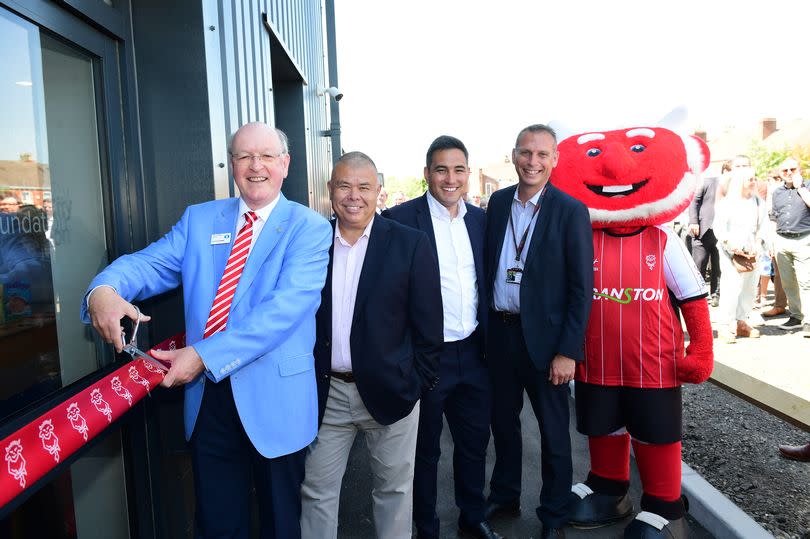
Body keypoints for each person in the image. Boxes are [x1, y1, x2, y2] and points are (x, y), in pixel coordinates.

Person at [82, 122, 332, 538]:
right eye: (244, 156)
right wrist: (104, 290)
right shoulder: (200, 220)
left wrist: (201, 356)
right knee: (217, 525)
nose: (256, 167)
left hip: (275, 402)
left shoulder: (309, 228)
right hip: (208, 404)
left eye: (267, 156)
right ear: (231, 164)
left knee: (280, 525)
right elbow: (149, 263)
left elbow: (282, 312)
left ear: (285, 164)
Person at [300, 152, 443, 539]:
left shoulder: (409, 244)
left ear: (378, 192)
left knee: (394, 492)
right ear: (331, 190)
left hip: (393, 392)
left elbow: (430, 327)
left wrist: (416, 384)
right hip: (327, 395)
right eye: (344, 185)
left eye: (364, 187)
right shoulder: (311, 243)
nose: (354, 196)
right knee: (316, 493)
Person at [384, 136, 500, 539]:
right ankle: (426, 526)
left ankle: (473, 516)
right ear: (426, 175)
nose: (450, 179)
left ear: (468, 174)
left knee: (473, 444)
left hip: (474, 353)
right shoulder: (399, 220)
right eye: (440, 170)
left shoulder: (481, 222)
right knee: (424, 450)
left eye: (458, 170)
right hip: (426, 355)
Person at [484, 124, 593, 539]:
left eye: (542, 154)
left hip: (547, 346)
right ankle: (506, 494)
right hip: (501, 335)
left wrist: (568, 350)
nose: (533, 161)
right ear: (513, 155)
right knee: (503, 425)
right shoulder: (496, 204)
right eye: (526, 153)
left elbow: (582, 288)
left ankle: (553, 515)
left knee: (553, 435)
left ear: (554, 160)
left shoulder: (569, 210)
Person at [714, 163, 770, 341]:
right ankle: (724, 325)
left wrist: (760, 243)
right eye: (750, 179)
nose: (753, 182)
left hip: (753, 251)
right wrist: (730, 244)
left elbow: (764, 226)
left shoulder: (758, 202)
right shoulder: (727, 203)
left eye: (755, 178)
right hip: (731, 252)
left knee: (749, 288)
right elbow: (719, 227)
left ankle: (741, 322)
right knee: (731, 287)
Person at [770, 157, 810, 335]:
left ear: (799, 170)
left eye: (792, 169)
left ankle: (808, 320)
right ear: (780, 173)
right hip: (781, 240)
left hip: (804, 239)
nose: (788, 173)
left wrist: (800, 187)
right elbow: (773, 218)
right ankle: (796, 316)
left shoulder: (807, 186)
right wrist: (772, 241)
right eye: (785, 170)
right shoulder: (777, 192)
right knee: (788, 282)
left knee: (806, 282)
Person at [689, 175, 721, 307]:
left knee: (718, 265)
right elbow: (694, 201)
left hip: (722, 229)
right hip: (703, 228)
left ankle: (716, 294)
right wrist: (693, 222)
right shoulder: (708, 181)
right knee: (698, 264)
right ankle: (698, 295)